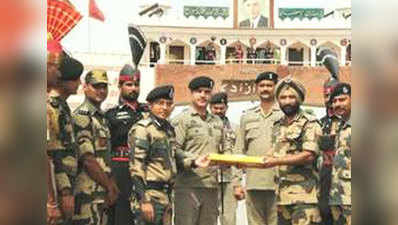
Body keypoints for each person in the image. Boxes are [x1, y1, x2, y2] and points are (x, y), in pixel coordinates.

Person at [128, 85, 210, 225]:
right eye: (160, 103)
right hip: (150, 194)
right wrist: (144, 200)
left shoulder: (168, 130)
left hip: (166, 195)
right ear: (150, 105)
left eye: (168, 104)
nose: (164, 108)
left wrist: (194, 162)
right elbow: (136, 168)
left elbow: (173, 158)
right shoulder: (143, 129)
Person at [171, 76, 232, 225]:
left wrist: (229, 160)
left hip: (211, 185)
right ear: (191, 93)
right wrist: (192, 161)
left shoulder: (218, 122)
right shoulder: (182, 120)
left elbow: (226, 147)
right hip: (188, 185)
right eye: (199, 91)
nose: (203, 95)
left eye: (207, 92)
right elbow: (174, 150)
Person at [262, 77, 322, 225]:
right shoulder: (277, 125)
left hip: (305, 197)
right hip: (282, 197)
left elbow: (309, 155)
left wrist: (276, 161)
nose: (287, 101)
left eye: (291, 97)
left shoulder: (309, 122)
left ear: (300, 99)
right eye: (283, 97)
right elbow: (271, 155)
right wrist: (243, 163)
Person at [233, 72, 282, 225]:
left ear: (275, 87)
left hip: (279, 184)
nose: (265, 89)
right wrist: (236, 183)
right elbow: (239, 151)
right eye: (262, 86)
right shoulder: (247, 117)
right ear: (257, 88)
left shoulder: (284, 114)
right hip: (254, 183)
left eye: (269, 85)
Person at [72, 70, 120, 225]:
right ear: (85, 87)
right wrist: (109, 185)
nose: (101, 91)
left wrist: (110, 185)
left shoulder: (101, 118)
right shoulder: (82, 116)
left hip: (101, 193)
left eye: (104, 87)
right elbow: (87, 159)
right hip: (87, 193)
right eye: (96, 86)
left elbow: (105, 156)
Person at [105, 64, 150, 225]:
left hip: (145, 169)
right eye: (129, 84)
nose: (133, 88)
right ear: (120, 86)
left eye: (136, 84)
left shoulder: (148, 111)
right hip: (121, 168)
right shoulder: (111, 115)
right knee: (121, 215)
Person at [47, 52, 84, 224]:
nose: (80, 83)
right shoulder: (52, 108)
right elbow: (53, 154)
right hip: (56, 188)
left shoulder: (62, 107)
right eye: (76, 79)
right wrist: (64, 192)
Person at [209, 92, 237, 225]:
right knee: (209, 217)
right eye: (216, 108)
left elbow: (238, 153)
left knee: (229, 218)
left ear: (227, 108)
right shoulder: (204, 127)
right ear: (210, 107)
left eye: (221, 108)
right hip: (209, 178)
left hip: (228, 178)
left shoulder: (235, 128)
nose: (219, 111)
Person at [318, 78, 341, 225]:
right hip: (323, 185)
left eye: (333, 95)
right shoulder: (318, 123)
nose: (330, 99)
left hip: (344, 187)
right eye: (326, 96)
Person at [328, 83, 351, 225]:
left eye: (342, 99)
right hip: (338, 197)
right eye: (334, 101)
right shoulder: (340, 127)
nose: (337, 104)